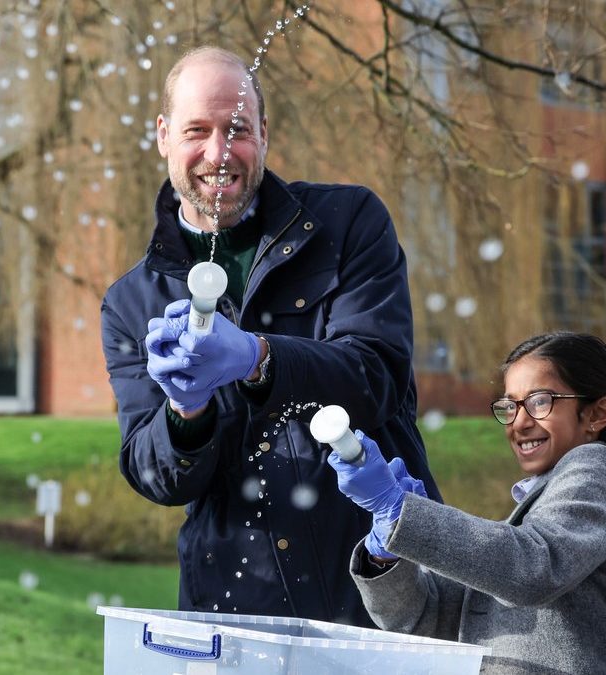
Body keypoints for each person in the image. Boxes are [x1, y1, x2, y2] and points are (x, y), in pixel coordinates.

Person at [100, 45, 440, 626]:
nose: (218, 153)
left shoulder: (348, 223)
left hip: (379, 585)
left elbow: (377, 376)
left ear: (265, 132)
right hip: (236, 609)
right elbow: (156, 477)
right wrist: (186, 411)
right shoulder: (132, 302)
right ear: (162, 135)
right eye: (196, 131)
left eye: (237, 130)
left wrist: (259, 359)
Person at [329, 331, 606, 673]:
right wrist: (387, 557)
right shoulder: (524, 523)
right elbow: (425, 622)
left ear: (596, 414)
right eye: (510, 405)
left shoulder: (597, 465)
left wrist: (403, 514)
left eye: (540, 401)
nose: (520, 421)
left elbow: (534, 568)